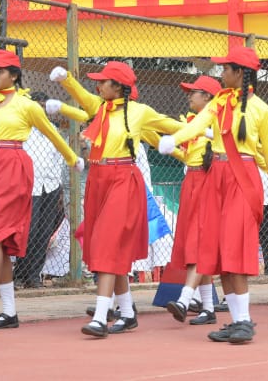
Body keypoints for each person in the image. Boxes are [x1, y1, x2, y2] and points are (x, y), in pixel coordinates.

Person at [159, 47, 268, 344]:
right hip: (216, 178)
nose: (221, 73)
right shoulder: (219, 101)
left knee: (234, 249)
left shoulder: (261, 110)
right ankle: (237, 320)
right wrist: (174, 140)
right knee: (219, 250)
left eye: (225, 68)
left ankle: (244, 320)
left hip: (242, 179)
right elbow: (197, 124)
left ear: (239, 73)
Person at [0, 50, 82, 333]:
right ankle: (9, 312)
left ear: (14, 75)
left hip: (12, 166)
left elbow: (52, 133)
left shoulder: (26, 105)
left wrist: (73, 159)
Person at [49, 60, 183, 337]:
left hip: (123, 177)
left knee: (108, 243)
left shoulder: (139, 111)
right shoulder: (99, 108)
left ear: (118, 86)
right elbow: (82, 98)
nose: (97, 85)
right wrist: (66, 81)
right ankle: (128, 312)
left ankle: (100, 317)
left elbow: (166, 123)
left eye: (103, 81)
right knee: (105, 245)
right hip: (98, 178)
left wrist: (204, 132)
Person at [164, 75, 222, 326]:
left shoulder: (216, 125)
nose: (189, 96)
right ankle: (208, 307)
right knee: (193, 241)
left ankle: (185, 298)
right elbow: (190, 158)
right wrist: (168, 146)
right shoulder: (192, 124)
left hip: (207, 183)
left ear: (207, 97)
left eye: (194, 92)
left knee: (201, 241)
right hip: (192, 182)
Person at [13, 92, 70, 290]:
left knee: (44, 232)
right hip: (30, 186)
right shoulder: (23, 130)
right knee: (28, 231)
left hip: (51, 186)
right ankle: (19, 274)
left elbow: (59, 161)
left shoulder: (52, 130)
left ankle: (33, 275)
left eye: (43, 106)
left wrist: (60, 189)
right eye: (37, 106)